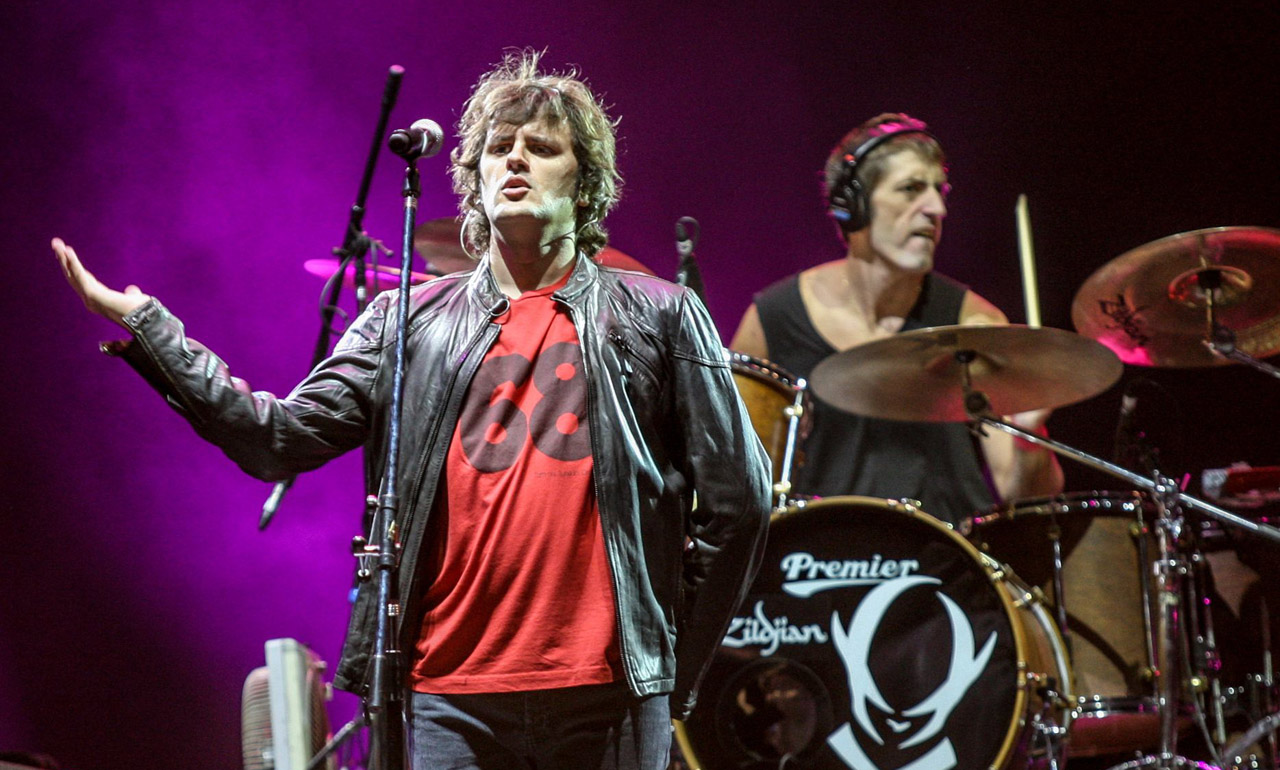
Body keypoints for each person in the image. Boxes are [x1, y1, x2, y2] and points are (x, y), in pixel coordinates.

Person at [52, 51, 771, 770]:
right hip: (447, 700)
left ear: (585, 186)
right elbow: (277, 440)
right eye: (499, 147)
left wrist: (673, 666)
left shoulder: (659, 314)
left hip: (607, 695)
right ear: (475, 179)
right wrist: (152, 328)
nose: (516, 159)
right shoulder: (405, 321)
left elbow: (738, 503)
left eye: (542, 147)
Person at [730, 113, 1063, 524]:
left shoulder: (975, 322)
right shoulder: (774, 320)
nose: (937, 208)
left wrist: (1031, 437)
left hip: (945, 555)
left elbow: (1025, 496)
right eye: (911, 189)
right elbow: (733, 480)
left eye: (940, 190)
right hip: (815, 555)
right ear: (853, 206)